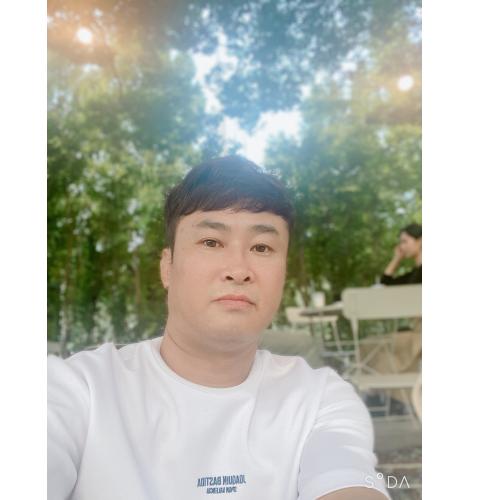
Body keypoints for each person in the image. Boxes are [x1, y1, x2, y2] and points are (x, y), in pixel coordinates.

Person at [48, 156, 389, 500]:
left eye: (262, 247)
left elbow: (346, 479)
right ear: (167, 267)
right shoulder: (78, 391)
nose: (238, 270)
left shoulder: (319, 400)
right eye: (211, 242)